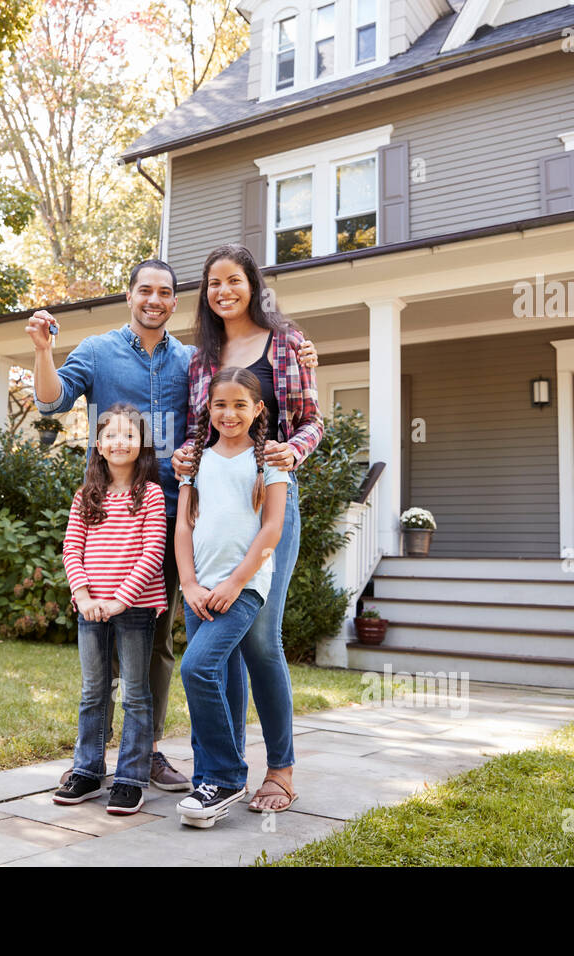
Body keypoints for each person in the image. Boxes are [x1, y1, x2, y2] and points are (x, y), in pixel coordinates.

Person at [28, 259, 319, 792]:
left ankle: (156, 752)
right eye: (145, 290)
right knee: (123, 639)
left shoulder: (198, 356)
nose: (155, 300)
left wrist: (289, 444)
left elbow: (297, 416)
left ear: (178, 301)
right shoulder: (104, 351)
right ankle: (100, 759)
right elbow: (50, 403)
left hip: (200, 507)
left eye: (166, 292)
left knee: (173, 640)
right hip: (128, 512)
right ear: (129, 294)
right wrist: (45, 351)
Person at [172, 243, 324, 814]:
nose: (223, 291)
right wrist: (186, 459)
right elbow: (196, 430)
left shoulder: (286, 342)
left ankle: (280, 772)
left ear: (252, 284)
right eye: (213, 283)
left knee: (261, 640)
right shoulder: (200, 357)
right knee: (221, 643)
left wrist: (290, 453)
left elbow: (312, 421)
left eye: (233, 280)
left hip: (269, 498)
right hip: (216, 504)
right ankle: (225, 772)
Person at [175, 367, 288, 828]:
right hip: (198, 587)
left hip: (241, 588)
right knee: (212, 676)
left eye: (241, 404)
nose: (229, 413)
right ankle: (210, 780)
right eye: (221, 404)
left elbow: (272, 529)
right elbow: (183, 526)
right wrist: (188, 584)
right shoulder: (195, 461)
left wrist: (236, 582)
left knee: (197, 667)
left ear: (258, 410)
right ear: (208, 408)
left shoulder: (270, 462)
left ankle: (225, 776)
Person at [53, 404, 167, 815]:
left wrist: (122, 598)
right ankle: (86, 770)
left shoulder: (150, 495)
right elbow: (72, 549)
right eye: (111, 436)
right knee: (92, 692)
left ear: (141, 445)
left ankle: (131, 778)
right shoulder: (87, 496)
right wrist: (83, 597)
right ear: (98, 446)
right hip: (90, 608)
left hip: (133, 608)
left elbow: (153, 552)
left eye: (129, 435)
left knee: (135, 694)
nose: (120, 442)